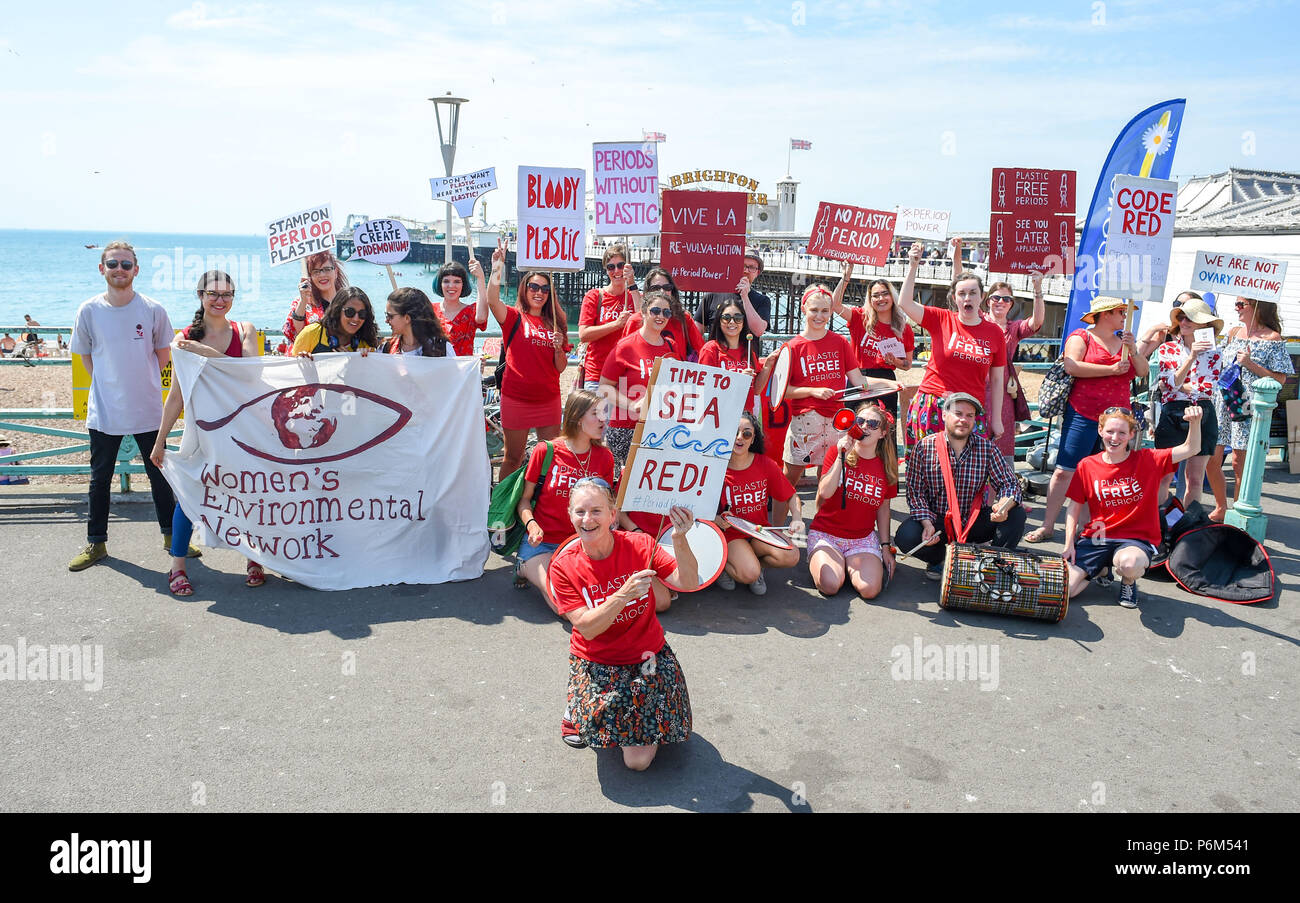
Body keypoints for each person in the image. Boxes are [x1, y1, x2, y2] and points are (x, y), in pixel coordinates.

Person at [547, 478, 698, 768]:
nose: (587, 519)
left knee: (637, 761)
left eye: (596, 511)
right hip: (598, 661)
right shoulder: (563, 564)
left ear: (613, 515)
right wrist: (623, 595)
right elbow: (588, 628)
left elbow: (687, 581)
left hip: (647, 656)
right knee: (612, 736)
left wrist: (680, 538)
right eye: (579, 512)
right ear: (570, 516)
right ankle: (577, 704)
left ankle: (623, 713)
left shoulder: (641, 544)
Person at [67, 241, 188, 571]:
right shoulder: (88, 310)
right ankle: (96, 544)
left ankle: (171, 537)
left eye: (125, 264)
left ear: (136, 269)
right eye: (112, 264)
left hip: (148, 407)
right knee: (99, 480)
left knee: (159, 475)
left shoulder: (152, 309)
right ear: (102, 269)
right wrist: (109, 382)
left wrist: (138, 379)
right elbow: (86, 355)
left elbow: (163, 356)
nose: (119, 269)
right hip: (104, 411)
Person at [150, 270, 263, 595]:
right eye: (213, 294)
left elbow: (251, 377)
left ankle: (253, 558)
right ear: (201, 295)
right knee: (188, 496)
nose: (220, 300)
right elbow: (176, 395)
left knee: (249, 495)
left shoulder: (246, 331)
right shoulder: (185, 336)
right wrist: (160, 441)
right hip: (202, 432)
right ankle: (177, 566)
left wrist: (206, 354)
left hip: (244, 432)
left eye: (227, 294)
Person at [1025, 296, 1144, 543]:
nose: (1125, 315)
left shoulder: (1124, 341)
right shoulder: (1082, 336)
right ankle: (1048, 526)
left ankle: (1085, 530)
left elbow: (1142, 371)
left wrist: (1133, 350)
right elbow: (1072, 366)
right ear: (1106, 314)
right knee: (1064, 472)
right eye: (1121, 311)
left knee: (1102, 475)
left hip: (1117, 419)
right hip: (1083, 413)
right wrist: (1110, 370)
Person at [1063, 406, 1203, 608]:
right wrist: (1068, 544)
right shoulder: (1087, 465)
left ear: (1131, 434)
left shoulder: (1148, 459)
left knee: (1129, 564)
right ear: (1100, 431)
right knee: (1068, 591)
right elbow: (1073, 507)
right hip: (1098, 536)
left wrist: (1195, 423)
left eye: (1121, 433)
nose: (1115, 438)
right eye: (1110, 431)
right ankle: (1102, 567)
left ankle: (1128, 582)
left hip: (1134, 539)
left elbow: (1191, 449)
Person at [895, 393, 1026, 581]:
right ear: (944, 415)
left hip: (973, 521)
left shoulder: (987, 448)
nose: (963, 419)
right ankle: (940, 558)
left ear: (974, 420)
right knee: (906, 536)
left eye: (970, 415)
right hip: (938, 521)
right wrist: (926, 523)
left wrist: (1004, 505)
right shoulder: (924, 447)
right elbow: (915, 493)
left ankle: (995, 563)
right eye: (958, 413)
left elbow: (1009, 484)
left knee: (1016, 514)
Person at [895, 243, 1007, 450]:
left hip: (970, 409)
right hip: (933, 404)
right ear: (954, 298)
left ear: (982, 297)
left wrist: (997, 418)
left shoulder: (994, 333)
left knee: (969, 472)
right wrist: (913, 265)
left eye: (973, 293)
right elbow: (905, 303)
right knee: (929, 469)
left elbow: (998, 379)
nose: (967, 298)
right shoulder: (941, 318)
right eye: (962, 294)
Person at [515, 390, 616, 613]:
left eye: (604, 413)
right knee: (564, 607)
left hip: (583, 546)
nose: (603, 419)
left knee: (593, 602)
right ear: (578, 418)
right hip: (542, 545)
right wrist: (532, 525)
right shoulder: (546, 451)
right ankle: (523, 566)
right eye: (596, 413)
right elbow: (524, 501)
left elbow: (607, 506)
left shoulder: (605, 457)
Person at [487, 250, 569, 479]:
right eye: (534, 287)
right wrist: (497, 268)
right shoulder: (514, 317)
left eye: (545, 289)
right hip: (516, 399)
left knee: (548, 458)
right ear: (524, 289)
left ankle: (537, 504)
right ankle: (502, 507)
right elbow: (492, 300)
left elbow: (561, 367)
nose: (539, 292)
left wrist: (558, 347)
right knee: (513, 458)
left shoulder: (557, 322)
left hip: (548, 400)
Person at [779, 284, 868, 486]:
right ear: (804, 309)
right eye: (814, 310)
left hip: (836, 421)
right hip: (805, 421)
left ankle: (823, 518)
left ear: (830, 312)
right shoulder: (792, 347)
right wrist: (813, 391)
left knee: (829, 480)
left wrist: (892, 384)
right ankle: (777, 520)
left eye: (825, 311)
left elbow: (859, 381)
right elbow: (784, 393)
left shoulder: (840, 343)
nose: (819, 316)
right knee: (788, 479)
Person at [807, 402, 898, 599]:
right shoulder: (836, 452)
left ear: (882, 433)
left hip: (862, 538)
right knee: (829, 585)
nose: (865, 426)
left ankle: (846, 564)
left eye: (873, 424)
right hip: (827, 533)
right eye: (860, 421)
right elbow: (825, 492)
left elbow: (883, 509)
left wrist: (885, 547)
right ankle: (833, 564)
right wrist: (842, 457)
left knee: (870, 590)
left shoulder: (886, 466)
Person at [1212, 296, 1294, 516]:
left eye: (1241, 304)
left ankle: (1238, 510)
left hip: (1248, 406)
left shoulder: (1273, 338)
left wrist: (1250, 364)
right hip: (1223, 401)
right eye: (1236, 304)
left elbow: (1280, 380)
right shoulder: (1232, 333)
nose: (1236, 308)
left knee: (1240, 461)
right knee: (1212, 456)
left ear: (1258, 306)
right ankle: (1221, 506)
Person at [716, 412, 802, 595]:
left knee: (792, 555)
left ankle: (755, 565)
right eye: (734, 432)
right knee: (749, 574)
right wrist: (716, 520)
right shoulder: (715, 467)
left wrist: (796, 517)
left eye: (746, 433)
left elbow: (791, 496)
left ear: (753, 437)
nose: (740, 438)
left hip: (760, 531)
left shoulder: (765, 464)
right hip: (731, 535)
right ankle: (722, 568)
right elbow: (697, 506)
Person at [599, 289, 683, 467]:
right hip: (626, 428)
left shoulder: (671, 347)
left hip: (658, 430)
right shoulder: (625, 346)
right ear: (644, 312)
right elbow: (604, 387)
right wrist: (631, 405)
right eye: (655, 311)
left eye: (666, 312)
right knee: (622, 487)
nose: (661, 316)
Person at [1153, 297, 1223, 508]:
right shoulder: (1168, 349)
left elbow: (1208, 389)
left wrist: (1176, 385)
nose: (1184, 322)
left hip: (1202, 412)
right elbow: (1168, 382)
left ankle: (1188, 524)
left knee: (1195, 478)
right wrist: (1191, 358)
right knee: (1163, 477)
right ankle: (1158, 521)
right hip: (1173, 413)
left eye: (1189, 318)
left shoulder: (1215, 353)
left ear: (1204, 324)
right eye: (1181, 317)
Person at [830, 261, 914, 419]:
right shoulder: (860, 318)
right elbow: (835, 305)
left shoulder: (904, 328)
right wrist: (846, 277)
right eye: (875, 295)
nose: (881, 298)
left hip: (885, 380)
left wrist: (894, 360)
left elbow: (907, 365)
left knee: (884, 431)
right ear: (870, 299)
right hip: (858, 378)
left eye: (885, 293)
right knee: (855, 428)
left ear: (892, 297)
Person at [982, 260, 1045, 463]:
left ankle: (1003, 489)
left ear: (1011, 304)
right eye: (996, 297)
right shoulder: (978, 321)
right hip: (977, 389)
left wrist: (1037, 290)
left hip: (1003, 394)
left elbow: (1036, 323)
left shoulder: (1013, 328)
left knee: (1003, 444)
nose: (1000, 301)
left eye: (1006, 299)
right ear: (988, 300)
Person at [578, 244, 640, 390]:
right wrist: (616, 324)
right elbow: (583, 334)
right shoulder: (594, 296)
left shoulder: (636, 297)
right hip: (597, 375)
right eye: (611, 267)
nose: (616, 271)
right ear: (606, 270)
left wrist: (632, 284)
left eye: (620, 265)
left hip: (627, 375)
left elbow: (644, 320)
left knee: (624, 414)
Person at [623, 267, 705, 361]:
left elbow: (701, 351)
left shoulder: (683, 318)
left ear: (672, 290)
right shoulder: (635, 321)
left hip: (676, 373)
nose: (662, 292)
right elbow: (623, 359)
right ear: (647, 292)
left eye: (667, 287)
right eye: (656, 288)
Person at [699, 297, 763, 411]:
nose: (732, 322)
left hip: (745, 417)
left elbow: (756, 390)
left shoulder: (748, 351)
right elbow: (704, 389)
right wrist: (737, 380)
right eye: (726, 318)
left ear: (743, 323)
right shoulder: (711, 349)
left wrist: (768, 365)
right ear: (719, 321)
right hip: (719, 415)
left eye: (738, 318)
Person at [695, 249, 771, 338]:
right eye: (742, 266)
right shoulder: (712, 295)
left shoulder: (763, 300)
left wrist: (745, 297)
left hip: (747, 351)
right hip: (716, 351)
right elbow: (696, 332)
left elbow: (758, 331)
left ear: (757, 273)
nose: (746, 271)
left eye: (752, 267)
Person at [292, 287, 379, 355]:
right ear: (337, 311)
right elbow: (290, 371)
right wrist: (302, 360)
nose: (356, 318)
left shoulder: (365, 345)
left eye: (362, 314)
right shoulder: (311, 333)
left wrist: (357, 361)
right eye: (350, 312)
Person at [283, 251, 346, 344]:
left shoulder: (348, 301)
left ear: (335, 272)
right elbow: (296, 334)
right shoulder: (301, 303)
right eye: (316, 271)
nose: (322, 275)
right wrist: (303, 300)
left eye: (327, 269)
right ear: (310, 276)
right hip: (310, 356)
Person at [431, 257, 488, 357]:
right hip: (435, 370)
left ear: (463, 285)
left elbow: (481, 318)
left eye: (457, 282)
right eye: (446, 281)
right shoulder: (430, 310)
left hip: (463, 371)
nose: (451, 286)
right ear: (440, 284)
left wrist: (481, 278)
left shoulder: (471, 311)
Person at [381, 287, 448, 357]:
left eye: (390, 316)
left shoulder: (443, 348)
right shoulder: (386, 348)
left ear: (407, 318)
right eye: (386, 315)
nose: (386, 320)